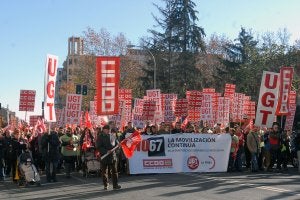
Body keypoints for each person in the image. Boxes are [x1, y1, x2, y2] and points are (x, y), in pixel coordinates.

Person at [96, 125, 121, 190]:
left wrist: (118, 145)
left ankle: (115, 185)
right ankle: (105, 184)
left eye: (109, 130)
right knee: (104, 172)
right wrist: (106, 151)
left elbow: (116, 144)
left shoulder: (112, 135)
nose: (109, 131)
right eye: (107, 129)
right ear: (104, 130)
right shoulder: (100, 137)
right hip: (104, 156)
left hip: (112, 156)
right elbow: (98, 147)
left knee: (115, 171)